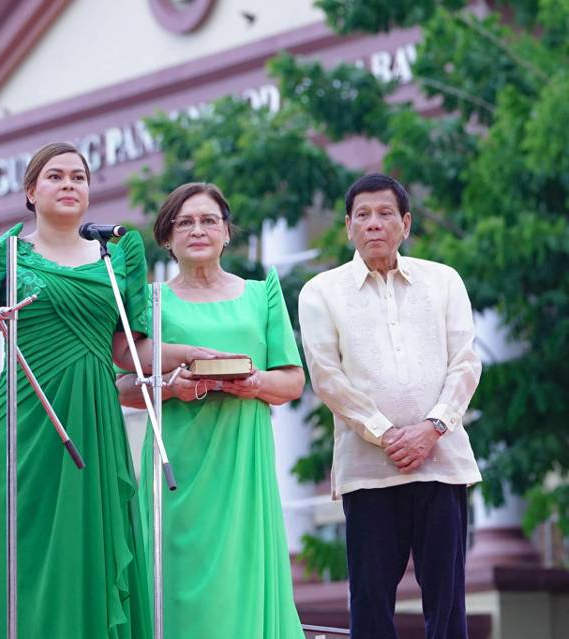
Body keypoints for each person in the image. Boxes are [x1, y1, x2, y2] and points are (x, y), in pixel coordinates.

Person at [0, 143, 229, 638]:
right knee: (22, 557)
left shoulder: (116, 253)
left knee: (90, 553)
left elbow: (130, 351)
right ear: (30, 191)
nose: (69, 185)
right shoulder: (12, 253)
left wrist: (190, 353)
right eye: (56, 176)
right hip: (26, 425)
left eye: (78, 177)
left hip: (94, 425)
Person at [116, 182, 307, 639]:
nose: (197, 230)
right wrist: (171, 387)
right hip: (176, 469)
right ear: (166, 237)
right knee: (173, 588)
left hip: (243, 469)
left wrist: (257, 382)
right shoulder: (151, 300)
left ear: (226, 233)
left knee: (241, 588)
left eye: (208, 221)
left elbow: (293, 382)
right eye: (185, 223)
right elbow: (124, 384)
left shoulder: (262, 294)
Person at [298, 173, 482, 639]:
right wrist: (386, 433)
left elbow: (465, 362)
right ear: (348, 227)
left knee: (447, 603)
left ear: (405, 223)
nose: (373, 224)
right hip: (368, 469)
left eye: (384, 214)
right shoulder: (321, 291)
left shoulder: (443, 281)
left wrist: (432, 427)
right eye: (362, 215)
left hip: (443, 463)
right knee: (371, 602)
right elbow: (326, 376)